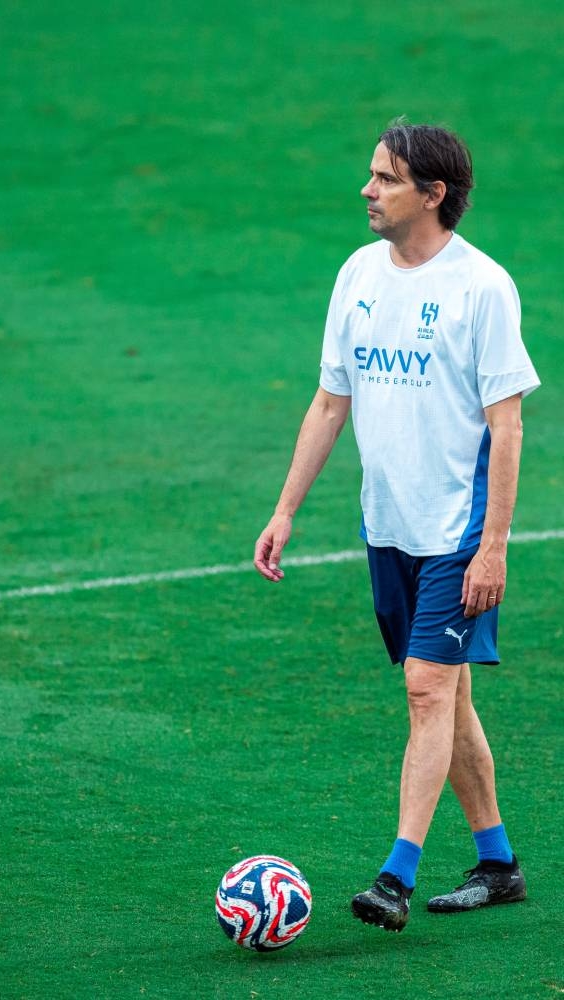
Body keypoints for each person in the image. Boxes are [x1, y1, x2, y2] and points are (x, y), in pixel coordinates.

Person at [253, 121, 540, 932]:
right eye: (371, 175)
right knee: (450, 695)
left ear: (433, 194)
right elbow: (329, 403)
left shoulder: (482, 288)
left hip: (457, 531)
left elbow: (508, 427)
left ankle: (395, 878)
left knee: (426, 689)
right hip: (388, 527)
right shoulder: (357, 274)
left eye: (385, 178)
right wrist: (284, 510)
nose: (367, 190)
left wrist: (493, 547)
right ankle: (498, 864)